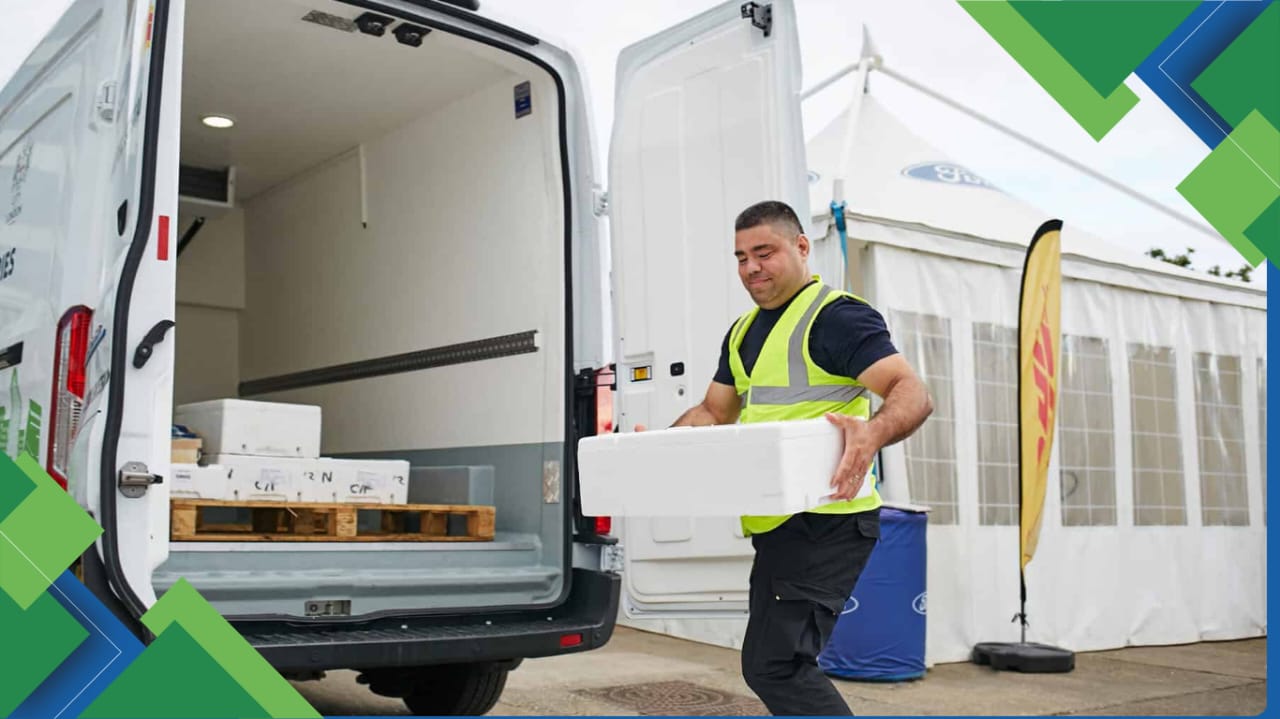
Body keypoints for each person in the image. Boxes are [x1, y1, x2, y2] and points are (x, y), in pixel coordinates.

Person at [663, 200, 933, 715]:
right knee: (769, 664)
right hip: (780, 524)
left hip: (828, 520)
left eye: (763, 252)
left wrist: (872, 433)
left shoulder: (836, 318)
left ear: (801, 247)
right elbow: (713, 411)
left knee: (778, 665)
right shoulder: (743, 332)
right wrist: (659, 446)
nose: (751, 268)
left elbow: (911, 391)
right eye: (740, 257)